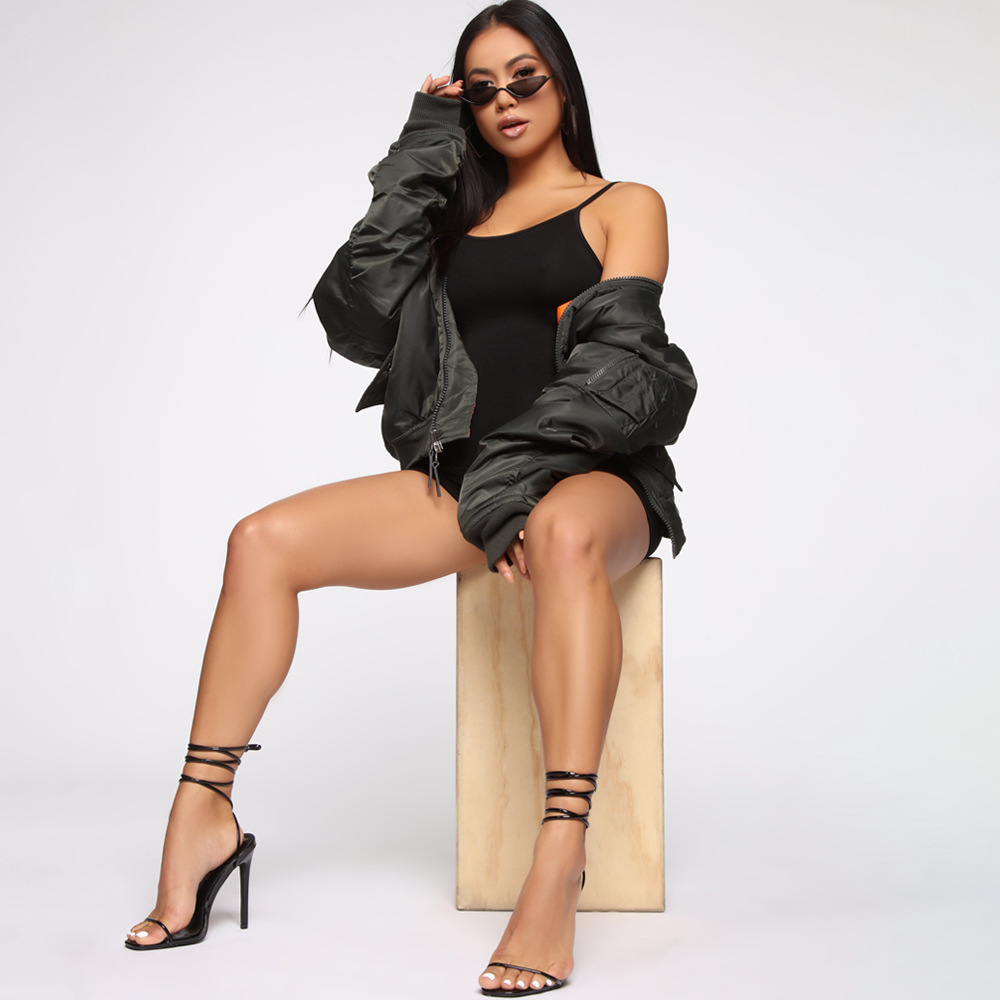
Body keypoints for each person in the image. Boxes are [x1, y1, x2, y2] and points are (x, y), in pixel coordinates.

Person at [124, 1, 696, 995]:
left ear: (562, 84)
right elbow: (356, 315)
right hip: (464, 484)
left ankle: (560, 850)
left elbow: (623, 370)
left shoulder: (623, 203)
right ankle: (202, 809)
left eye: (525, 78)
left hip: (593, 476)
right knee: (260, 540)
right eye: (481, 89)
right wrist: (422, 151)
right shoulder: (451, 217)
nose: (506, 100)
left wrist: (520, 485)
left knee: (562, 528)